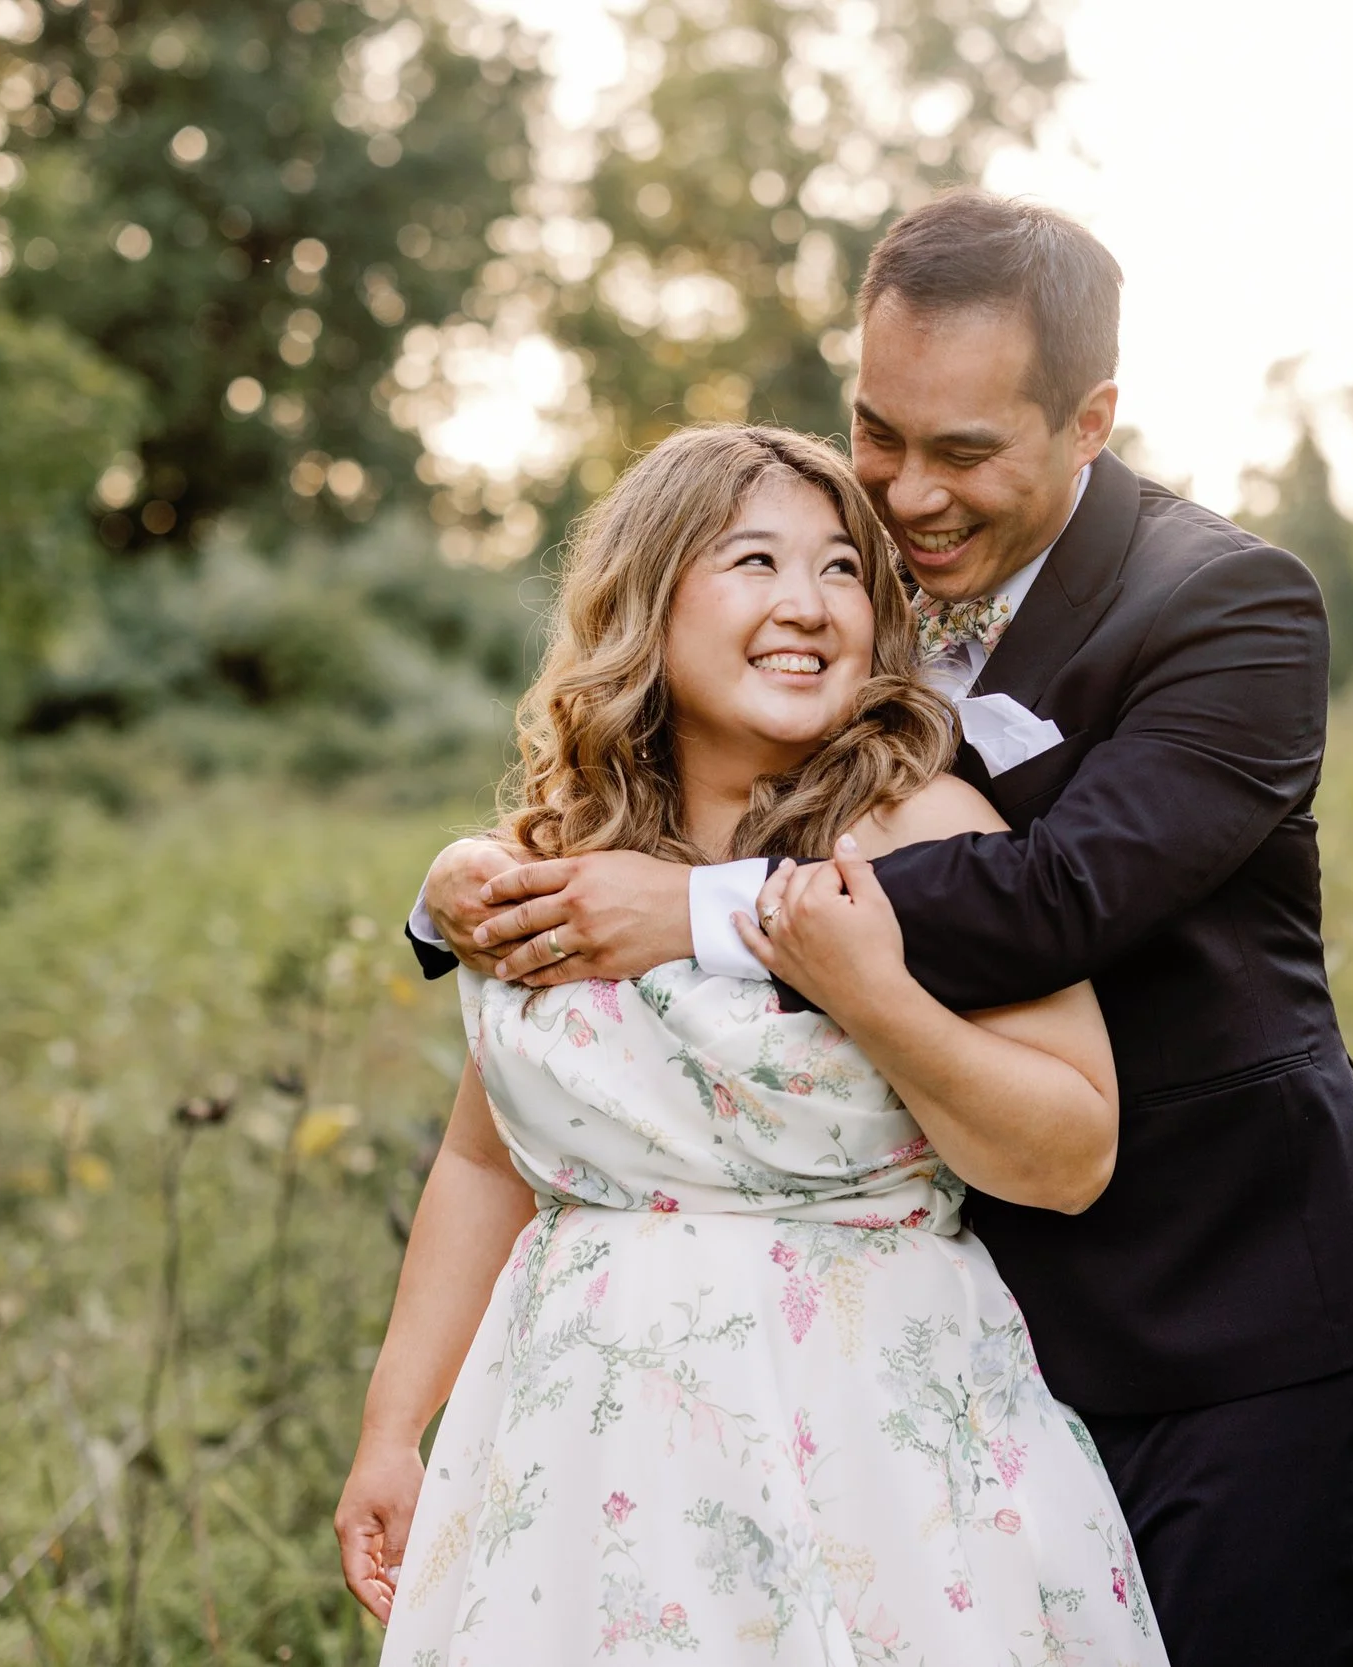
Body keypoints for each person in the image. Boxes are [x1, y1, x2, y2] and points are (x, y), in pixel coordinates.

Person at [409, 192, 1353, 1665]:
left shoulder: (1228, 606)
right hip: (932, 1337)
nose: (904, 494)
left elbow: (1062, 892)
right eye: (877, 433)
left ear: (1089, 422)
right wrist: (463, 885)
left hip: (1216, 1310)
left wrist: (692, 915)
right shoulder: (846, 567)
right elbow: (673, 742)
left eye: (962, 451)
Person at [335, 424, 1167, 1665]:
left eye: (841, 568)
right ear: (648, 599)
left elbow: (1071, 1150)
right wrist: (394, 1427)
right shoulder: (561, 852)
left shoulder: (923, 828)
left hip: (864, 1445)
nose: (809, 604)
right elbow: (485, 1158)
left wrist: (870, 991)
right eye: (756, 561)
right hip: (583, 1454)